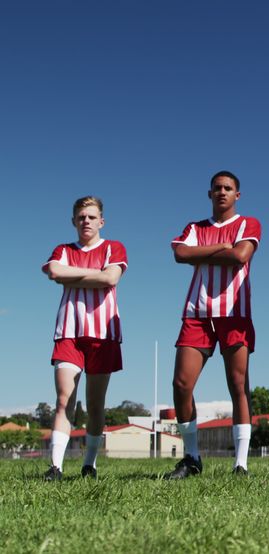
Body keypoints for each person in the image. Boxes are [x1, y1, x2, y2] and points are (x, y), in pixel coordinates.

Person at [167, 171, 261, 478]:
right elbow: (180, 253)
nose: (222, 192)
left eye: (228, 188)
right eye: (217, 188)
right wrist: (222, 248)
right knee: (181, 384)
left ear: (237, 195)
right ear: (209, 194)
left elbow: (240, 255)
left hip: (235, 314)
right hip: (197, 313)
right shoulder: (195, 227)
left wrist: (206, 253)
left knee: (238, 385)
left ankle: (241, 464)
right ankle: (192, 458)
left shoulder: (248, 224)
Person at [41, 196, 128, 481]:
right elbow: (54, 270)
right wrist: (95, 274)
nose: (86, 221)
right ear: (74, 221)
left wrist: (72, 277)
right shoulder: (64, 250)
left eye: (91, 217)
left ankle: (89, 464)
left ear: (101, 221)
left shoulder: (114, 247)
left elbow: (111, 279)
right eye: (81, 217)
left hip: (103, 334)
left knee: (95, 404)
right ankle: (55, 467)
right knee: (64, 399)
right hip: (69, 332)